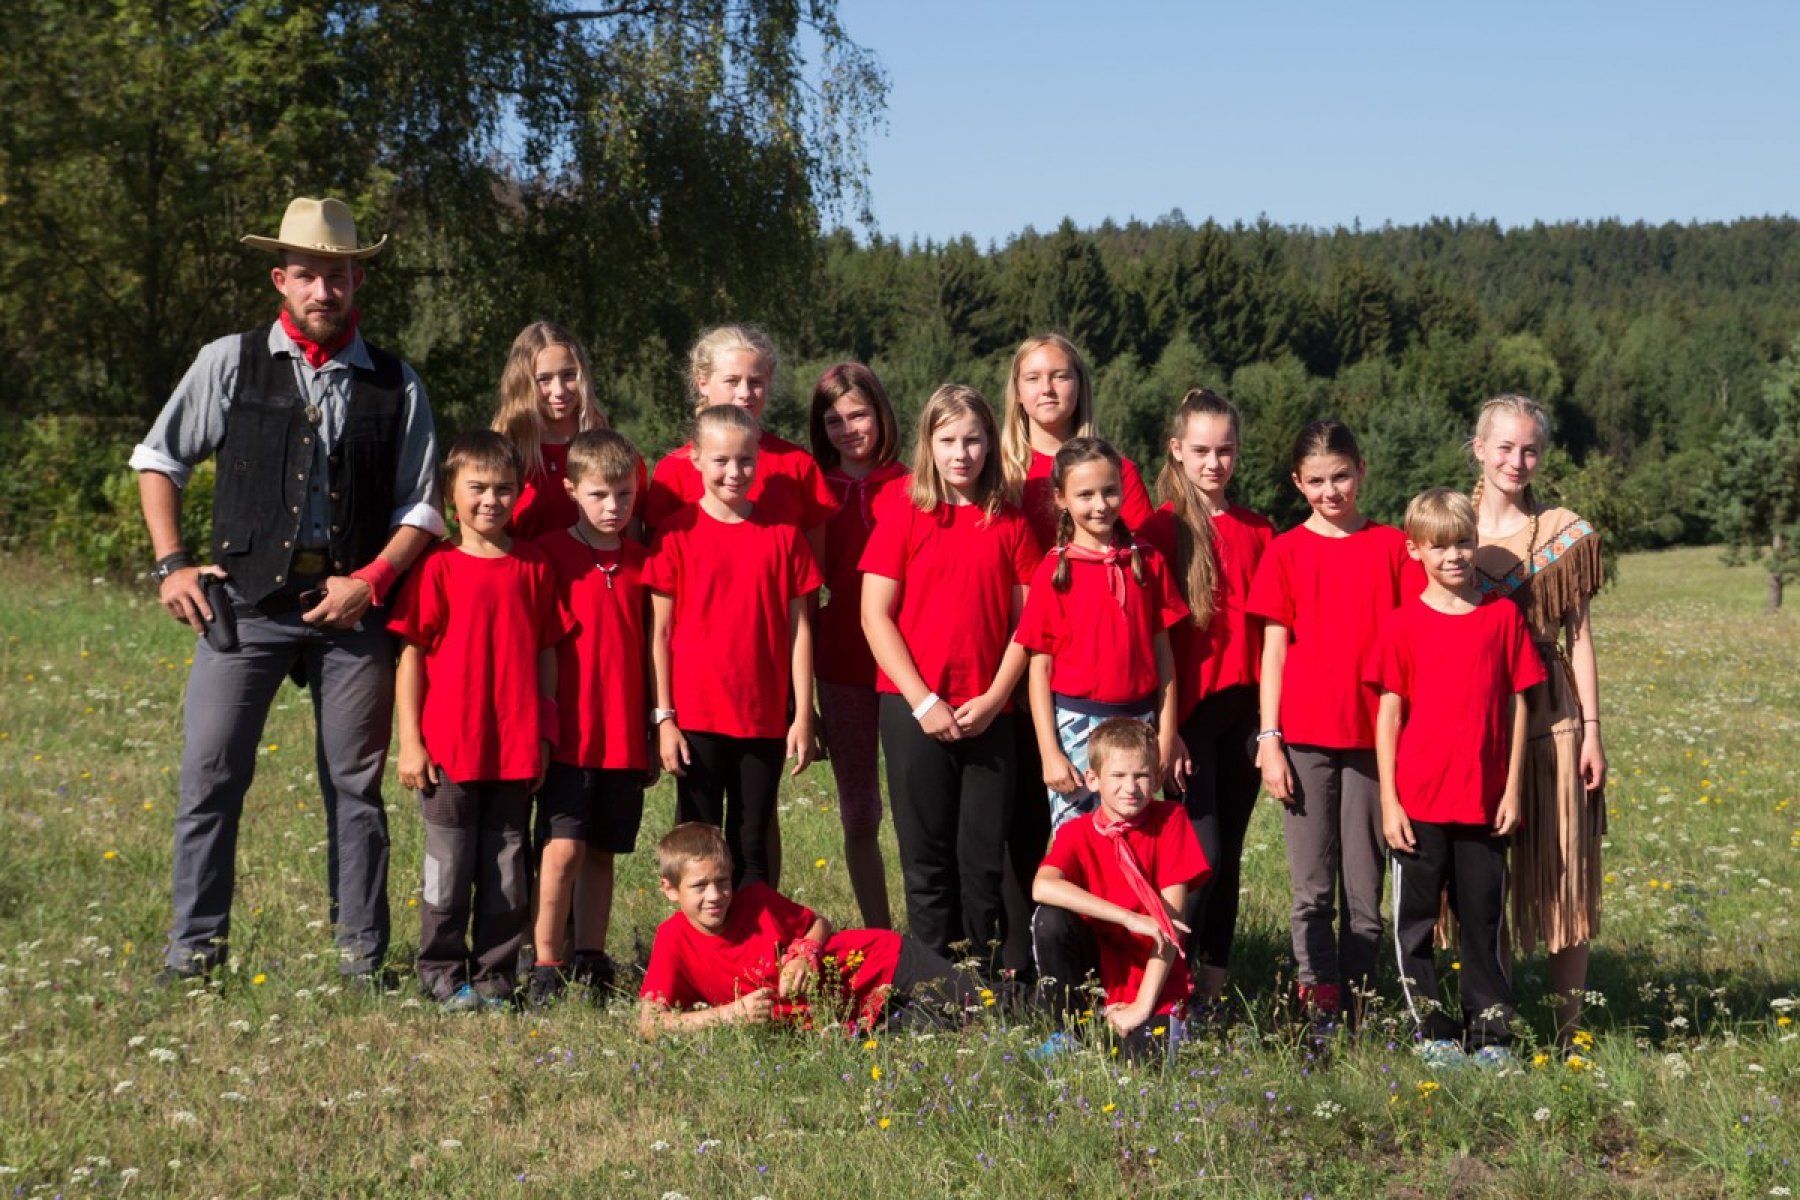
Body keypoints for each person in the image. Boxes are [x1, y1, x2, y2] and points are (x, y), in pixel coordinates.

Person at [131, 196, 442, 986]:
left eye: (337, 276)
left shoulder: (396, 383)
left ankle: (360, 961)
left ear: (356, 281)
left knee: (354, 788)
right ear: (282, 279)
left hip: (352, 614)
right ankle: (193, 956)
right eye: (307, 275)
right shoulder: (228, 362)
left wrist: (371, 581)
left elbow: (422, 509)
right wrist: (172, 564)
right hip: (244, 607)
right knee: (209, 777)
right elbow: (159, 459)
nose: (323, 290)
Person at [1245, 420, 1423, 1025]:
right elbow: (1273, 652)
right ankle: (1317, 992)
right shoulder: (1285, 551)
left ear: (1361, 471)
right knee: (1313, 885)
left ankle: (1359, 996)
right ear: (1298, 483)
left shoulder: (1394, 547)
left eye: (1341, 476)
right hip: (1303, 740)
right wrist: (1270, 739)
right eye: (1317, 481)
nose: (1331, 491)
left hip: (1375, 740)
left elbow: (1416, 640)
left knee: (1365, 887)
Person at [388, 432, 572, 1010]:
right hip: (448, 752)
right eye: (478, 488)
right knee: (446, 870)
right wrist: (410, 742)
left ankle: (496, 977)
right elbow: (411, 655)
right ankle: (442, 973)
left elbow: (546, 652)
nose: (491, 500)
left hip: (515, 752)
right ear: (451, 494)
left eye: (504, 489)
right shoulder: (436, 567)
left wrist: (545, 734)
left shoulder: (534, 565)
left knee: (506, 872)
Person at [860, 385, 1036, 974]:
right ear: (928, 444)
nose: (961, 454)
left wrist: (995, 697)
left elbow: (1028, 625)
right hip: (913, 710)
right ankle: (935, 985)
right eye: (948, 440)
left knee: (983, 858)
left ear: (991, 443)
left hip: (989, 712)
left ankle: (985, 980)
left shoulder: (1010, 522)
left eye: (973, 440)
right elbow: (874, 616)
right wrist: (923, 701)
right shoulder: (904, 514)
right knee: (926, 857)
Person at [996, 333, 1155, 974]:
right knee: (1025, 824)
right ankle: (1028, 962)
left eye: (1060, 375)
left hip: (1101, 679)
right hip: (1029, 671)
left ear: (1080, 384)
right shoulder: (1001, 470)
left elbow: (1140, 571)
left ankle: (1117, 965)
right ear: (1016, 390)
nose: (1048, 388)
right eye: (1033, 377)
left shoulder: (1115, 469)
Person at [1368, 488, 1545, 1063]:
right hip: (1418, 804)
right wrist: (1390, 802)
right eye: (1440, 546)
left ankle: (1491, 1035)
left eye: (1464, 543)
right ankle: (1433, 1032)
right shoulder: (1401, 625)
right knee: (1415, 924)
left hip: (1485, 803)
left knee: (1483, 922)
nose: (1454, 556)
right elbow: (1389, 717)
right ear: (1414, 550)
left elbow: (1520, 704)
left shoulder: (1502, 618)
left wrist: (1512, 789)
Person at [1468, 394, 1607, 1043]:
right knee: (1479, 875)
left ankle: (1566, 1031)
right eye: (1504, 446)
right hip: (1472, 716)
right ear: (1479, 449)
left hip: (1553, 717)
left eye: (1528, 449)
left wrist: (1593, 732)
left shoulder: (1562, 532)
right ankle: (1490, 1022)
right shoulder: (1449, 526)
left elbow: (1580, 638)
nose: (1516, 461)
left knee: (1563, 871)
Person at [1138, 389, 1275, 1008]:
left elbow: (1274, 635)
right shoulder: (1159, 530)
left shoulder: (1258, 529)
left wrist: (1271, 727)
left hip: (1247, 713)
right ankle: (1167, 983)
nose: (1213, 463)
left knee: (1233, 852)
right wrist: (1168, 732)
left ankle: (1211, 988)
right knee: (1202, 856)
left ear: (1237, 452)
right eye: (1200, 451)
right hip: (1189, 717)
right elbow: (1154, 641)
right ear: (1177, 450)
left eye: (1224, 451)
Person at [647, 405, 821, 889]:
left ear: (758, 459)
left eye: (745, 460)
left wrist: (802, 716)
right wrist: (664, 719)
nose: (734, 472)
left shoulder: (784, 535)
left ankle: (756, 935)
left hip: (762, 715)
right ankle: (701, 936)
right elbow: (659, 634)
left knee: (752, 842)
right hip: (695, 718)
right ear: (696, 460)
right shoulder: (675, 533)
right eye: (721, 460)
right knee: (697, 846)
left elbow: (800, 631)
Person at [638, 823, 977, 1035]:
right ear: (670, 889)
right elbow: (650, 1025)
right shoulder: (673, 938)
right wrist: (731, 1014)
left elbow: (818, 923)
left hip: (882, 962)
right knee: (954, 1027)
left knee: (984, 1007)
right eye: (699, 886)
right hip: (849, 1021)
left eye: (722, 881)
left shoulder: (757, 901)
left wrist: (804, 953)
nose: (715, 896)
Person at [529, 430, 651, 1004]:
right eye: (600, 494)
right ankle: (544, 961)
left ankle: (592, 957)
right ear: (572, 490)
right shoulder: (550, 555)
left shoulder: (644, 564)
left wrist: (653, 727)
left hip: (623, 737)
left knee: (603, 850)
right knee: (562, 849)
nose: (613, 507)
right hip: (568, 737)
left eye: (624, 495)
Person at [1014, 438, 1189, 832]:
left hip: (1140, 723)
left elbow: (1164, 657)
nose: (1100, 505)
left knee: (1136, 836)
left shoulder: (1148, 562)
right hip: (1075, 726)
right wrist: (1049, 753)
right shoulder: (1053, 573)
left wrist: (1166, 734)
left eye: (1110, 491)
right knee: (1078, 841)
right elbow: (1039, 670)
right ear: (1060, 498)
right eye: (1085, 495)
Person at [1031, 717, 1210, 1061]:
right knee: (1049, 919)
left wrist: (1141, 1008)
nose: (1131, 787)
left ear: (1156, 779)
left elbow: (1169, 927)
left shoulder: (1170, 820)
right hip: (1099, 964)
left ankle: (1154, 1018)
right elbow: (1042, 886)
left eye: (1141, 776)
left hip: (1152, 970)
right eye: (1118, 776)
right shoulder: (1076, 832)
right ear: (1093, 780)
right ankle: (1070, 1029)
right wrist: (1129, 918)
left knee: (1142, 1064)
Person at [807, 363, 909, 929]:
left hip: (910, 664)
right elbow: (805, 589)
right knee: (860, 809)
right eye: (834, 420)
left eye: (859, 415)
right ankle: (879, 931)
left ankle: (937, 931)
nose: (849, 430)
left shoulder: (915, 485)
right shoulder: (816, 490)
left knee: (918, 804)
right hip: (842, 663)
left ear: (881, 414)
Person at [642, 324, 837, 546]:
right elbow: (658, 555)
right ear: (703, 384)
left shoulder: (798, 465)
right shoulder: (673, 469)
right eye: (732, 381)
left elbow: (813, 559)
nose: (745, 393)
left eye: (755, 382)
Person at [491, 321, 632, 542]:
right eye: (543, 379)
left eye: (568, 375)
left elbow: (633, 538)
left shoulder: (615, 452)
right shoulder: (502, 456)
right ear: (522, 384)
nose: (559, 391)